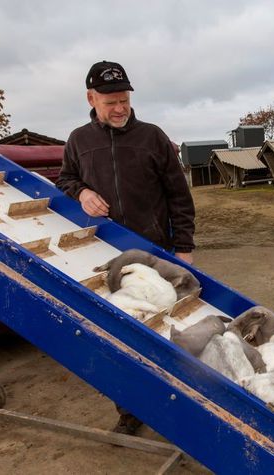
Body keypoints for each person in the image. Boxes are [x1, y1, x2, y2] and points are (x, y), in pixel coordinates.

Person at [56, 60, 195, 434]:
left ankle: (180, 407)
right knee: (117, 340)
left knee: (166, 329)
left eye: (124, 100)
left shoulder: (152, 137)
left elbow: (180, 197)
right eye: (110, 102)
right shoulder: (78, 141)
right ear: (91, 98)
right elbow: (65, 178)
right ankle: (130, 411)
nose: (119, 108)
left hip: (155, 254)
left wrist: (184, 249)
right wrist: (81, 192)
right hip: (105, 257)